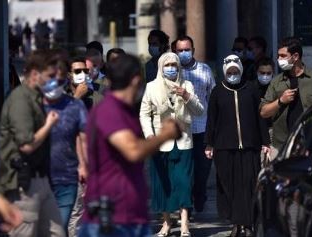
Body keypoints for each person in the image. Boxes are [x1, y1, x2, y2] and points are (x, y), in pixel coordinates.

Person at [78, 54, 182, 237]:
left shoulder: (125, 110)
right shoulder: (110, 110)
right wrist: (165, 134)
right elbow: (132, 151)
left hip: (131, 217)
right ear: (135, 80)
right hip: (112, 220)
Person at [0, 50, 65, 236]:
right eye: (50, 76)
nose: (53, 81)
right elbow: (26, 145)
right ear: (35, 73)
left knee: (57, 232)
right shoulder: (20, 100)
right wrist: (49, 124)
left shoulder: (35, 99)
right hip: (23, 185)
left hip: (40, 180)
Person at [204, 55, 270, 237]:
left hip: (250, 146)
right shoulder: (218, 91)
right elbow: (212, 120)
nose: (233, 75)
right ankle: (236, 223)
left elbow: (260, 118)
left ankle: (248, 224)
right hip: (225, 148)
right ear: (225, 73)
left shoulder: (251, 90)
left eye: (236, 72)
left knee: (248, 185)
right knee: (230, 187)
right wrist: (209, 144)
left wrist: (266, 142)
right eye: (230, 72)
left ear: (240, 71)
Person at [140, 52, 204, 237]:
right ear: (161, 67)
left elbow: (199, 111)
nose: (171, 68)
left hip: (184, 141)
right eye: (167, 65)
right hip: (160, 143)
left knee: (184, 183)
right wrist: (150, 135)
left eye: (174, 65)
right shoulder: (151, 87)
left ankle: (184, 224)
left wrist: (186, 96)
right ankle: (166, 223)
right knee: (162, 184)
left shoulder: (187, 84)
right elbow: (144, 113)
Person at [260, 37, 312, 158]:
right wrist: (280, 101)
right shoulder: (276, 82)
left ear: (295, 56)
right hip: (282, 146)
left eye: (283, 56)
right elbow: (263, 112)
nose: (279, 59)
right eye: (278, 56)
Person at [42, 60, 88, 237]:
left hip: (76, 168)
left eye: (85, 70)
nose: (82, 73)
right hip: (50, 171)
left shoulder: (97, 94)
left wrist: (85, 165)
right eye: (77, 70)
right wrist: (77, 96)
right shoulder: (50, 99)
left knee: (75, 215)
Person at [175, 35, 216, 213]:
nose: (184, 53)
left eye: (187, 49)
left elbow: (213, 97)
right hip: (182, 130)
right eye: (180, 50)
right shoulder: (173, 71)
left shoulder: (205, 70)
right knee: (184, 171)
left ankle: (199, 195)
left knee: (202, 170)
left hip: (202, 128)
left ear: (193, 50)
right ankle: (186, 205)